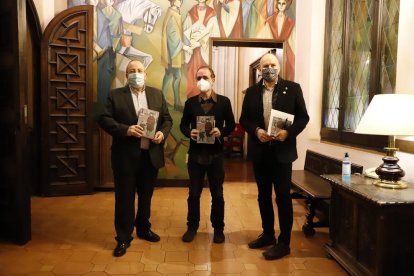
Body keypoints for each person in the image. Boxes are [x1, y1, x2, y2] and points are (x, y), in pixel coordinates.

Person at [97, 60, 173, 257]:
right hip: (125, 158)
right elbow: (104, 119)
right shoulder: (115, 95)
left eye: (140, 70)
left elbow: (167, 120)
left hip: (150, 157)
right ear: (126, 75)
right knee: (124, 199)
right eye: (132, 71)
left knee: (146, 197)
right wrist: (126, 129)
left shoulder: (156, 94)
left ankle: (143, 228)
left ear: (146, 75)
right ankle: (123, 238)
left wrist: (162, 134)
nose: (136, 74)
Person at [239, 53, 309, 260]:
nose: (269, 68)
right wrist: (256, 131)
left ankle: (284, 242)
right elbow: (244, 119)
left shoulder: (293, 89)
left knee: (283, 197)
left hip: (282, 153)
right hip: (260, 152)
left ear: (278, 67)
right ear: (260, 69)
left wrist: (288, 133)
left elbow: (303, 117)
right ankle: (268, 234)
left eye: (272, 65)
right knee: (263, 196)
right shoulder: (251, 92)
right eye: (265, 66)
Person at [179, 66, 235, 243]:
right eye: (198, 78)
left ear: (213, 79)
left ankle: (218, 228)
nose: (201, 81)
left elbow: (231, 125)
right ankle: (192, 227)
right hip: (195, 155)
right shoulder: (190, 103)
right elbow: (183, 125)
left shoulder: (224, 102)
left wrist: (222, 131)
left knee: (217, 194)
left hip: (216, 155)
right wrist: (190, 133)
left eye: (205, 77)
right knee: (194, 194)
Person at [161, 0, 191, 111]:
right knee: (177, 76)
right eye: (179, 0)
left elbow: (176, 31)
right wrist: (183, 46)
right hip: (174, 52)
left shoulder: (172, 13)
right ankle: (177, 104)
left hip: (170, 52)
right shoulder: (172, 14)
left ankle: (162, 102)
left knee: (168, 75)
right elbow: (172, 35)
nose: (181, 2)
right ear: (173, 1)